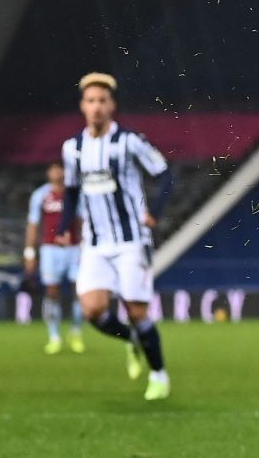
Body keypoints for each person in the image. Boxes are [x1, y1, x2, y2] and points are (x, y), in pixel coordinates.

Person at [61, 73, 173, 402]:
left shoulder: (128, 141)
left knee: (137, 311)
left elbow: (164, 171)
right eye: (91, 101)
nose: (96, 107)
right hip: (95, 244)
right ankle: (132, 341)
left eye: (102, 101)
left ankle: (159, 374)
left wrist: (156, 210)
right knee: (93, 310)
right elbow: (70, 190)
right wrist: (66, 225)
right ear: (83, 106)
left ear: (112, 106)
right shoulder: (73, 149)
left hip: (130, 240)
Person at [24, 162, 85, 355]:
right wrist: (30, 252)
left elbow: (82, 220)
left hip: (74, 248)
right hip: (50, 249)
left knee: (80, 290)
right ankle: (54, 336)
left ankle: (76, 332)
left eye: (60, 169)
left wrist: (86, 246)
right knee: (51, 291)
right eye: (53, 169)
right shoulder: (40, 195)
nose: (57, 172)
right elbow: (33, 224)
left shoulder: (75, 194)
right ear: (48, 172)